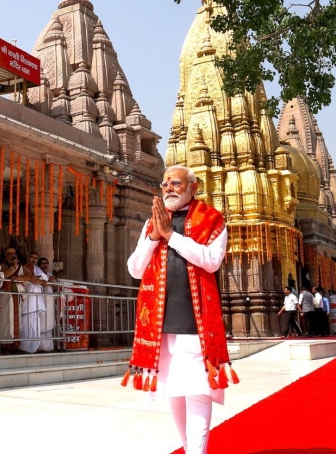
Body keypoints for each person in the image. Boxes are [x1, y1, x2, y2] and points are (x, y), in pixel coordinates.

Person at [126, 165, 234, 454]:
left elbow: (211, 261)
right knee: (173, 388)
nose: (168, 189)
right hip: (158, 321)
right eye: (164, 185)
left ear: (193, 187)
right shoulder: (153, 223)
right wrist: (154, 236)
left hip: (195, 320)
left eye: (175, 183)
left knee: (198, 388)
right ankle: (189, 448)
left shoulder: (212, 220)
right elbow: (135, 270)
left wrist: (171, 237)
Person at [15, 252, 49, 354]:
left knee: (35, 323)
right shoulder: (22, 268)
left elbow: (43, 280)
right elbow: (31, 279)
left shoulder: (37, 269)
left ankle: (34, 347)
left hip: (36, 299)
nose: (33, 260)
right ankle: (25, 348)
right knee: (26, 322)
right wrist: (34, 279)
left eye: (36, 258)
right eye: (32, 258)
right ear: (27, 258)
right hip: (26, 299)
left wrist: (36, 280)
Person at [0, 247, 21, 352]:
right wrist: (13, 268)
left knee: (14, 320)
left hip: (14, 297)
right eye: (10, 253)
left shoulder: (18, 266)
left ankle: (14, 344)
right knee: (5, 320)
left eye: (14, 253)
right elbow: (3, 277)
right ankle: (4, 344)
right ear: (6, 255)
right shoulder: (2, 265)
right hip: (5, 295)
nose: (13, 255)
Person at [38, 257, 57, 352]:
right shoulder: (37, 274)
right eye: (42, 263)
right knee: (41, 323)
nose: (45, 265)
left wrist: (52, 282)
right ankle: (40, 346)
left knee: (49, 322)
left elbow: (54, 288)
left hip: (49, 302)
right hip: (41, 302)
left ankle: (48, 347)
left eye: (46, 263)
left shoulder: (50, 275)